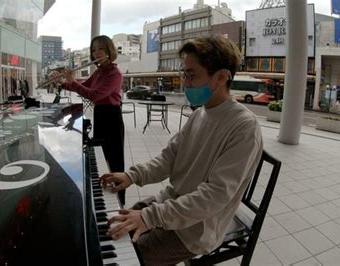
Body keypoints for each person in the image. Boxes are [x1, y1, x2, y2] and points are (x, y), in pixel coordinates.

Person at [100, 36, 263, 265]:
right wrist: (132, 176)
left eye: (191, 75)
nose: (185, 83)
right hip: (172, 205)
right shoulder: (200, 114)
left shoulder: (244, 127)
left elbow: (213, 197)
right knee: (111, 226)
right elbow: (169, 158)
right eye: (183, 74)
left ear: (222, 77)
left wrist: (149, 217)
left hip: (196, 229)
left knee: (125, 256)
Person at [57, 35, 126, 205]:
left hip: (112, 117)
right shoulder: (99, 71)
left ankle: (120, 201)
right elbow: (85, 85)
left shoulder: (115, 74)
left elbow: (93, 95)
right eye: (94, 49)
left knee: (114, 160)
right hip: (101, 115)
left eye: (100, 48)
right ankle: (103, 194)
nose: (96, 53)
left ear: (109, 50)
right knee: (101, 158)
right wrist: (63, 82)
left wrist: (72, 81)